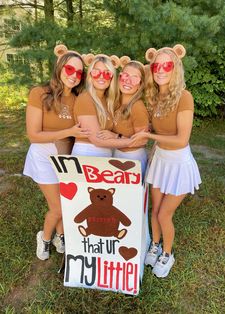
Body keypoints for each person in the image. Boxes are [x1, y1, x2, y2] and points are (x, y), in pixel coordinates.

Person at [131, 44, 201, 277]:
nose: (160, 70)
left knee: (164, 214)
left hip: (178, 164)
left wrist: (147, 136)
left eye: (166, 65)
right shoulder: (154, 96)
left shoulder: (184, 97)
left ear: (175, 69)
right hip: (160, 159)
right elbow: (153, 126)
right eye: (156, 66)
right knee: (154, 210)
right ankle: (154, 245)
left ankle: (167, 254)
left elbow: (181, 140)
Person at [23, 45, 89, 260]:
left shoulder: (79, 98)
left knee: (66, 203)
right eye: (70, 70)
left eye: (79, 72)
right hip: (43, 155)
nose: (74, 76)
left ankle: (61, 234)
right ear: (60, 67)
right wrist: (68, 130)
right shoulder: (40, 93)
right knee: (59, 207)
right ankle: (45, 236)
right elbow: (33, 134)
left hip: (67, 158)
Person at [72, 54, 135, 157]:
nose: (101, 77)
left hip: (105, 155)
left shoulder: (109, 101)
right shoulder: (85, 98)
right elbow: (97, 140)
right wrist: (132, 142)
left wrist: (118, 136)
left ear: (111, 78)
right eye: (96, 72)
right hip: (86, 154)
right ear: (90, 75)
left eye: (106, 73)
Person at [97, 56, 149, 179]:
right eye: (125, 76)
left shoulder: (137, 107)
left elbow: (143, 140)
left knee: (132, 197)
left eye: (134, 78)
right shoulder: (115, 102)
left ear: (140, 84)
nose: (128, 81)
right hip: (116, 154)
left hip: (132, 159)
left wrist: (115, 136)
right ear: (119, 77)